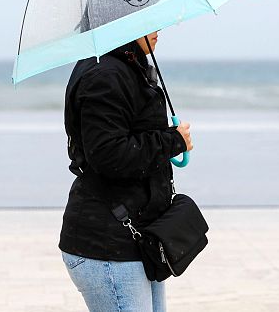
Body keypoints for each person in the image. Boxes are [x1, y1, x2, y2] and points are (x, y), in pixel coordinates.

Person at [59, 29, 193, 312]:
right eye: (150, 21)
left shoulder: (128, 66)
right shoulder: (104, 75)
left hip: (135, 240)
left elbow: (124, 137)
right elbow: (109, 154)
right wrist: (173, 140)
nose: (158, 30)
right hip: (107, 247)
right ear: (124, 24)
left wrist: (170, 139)